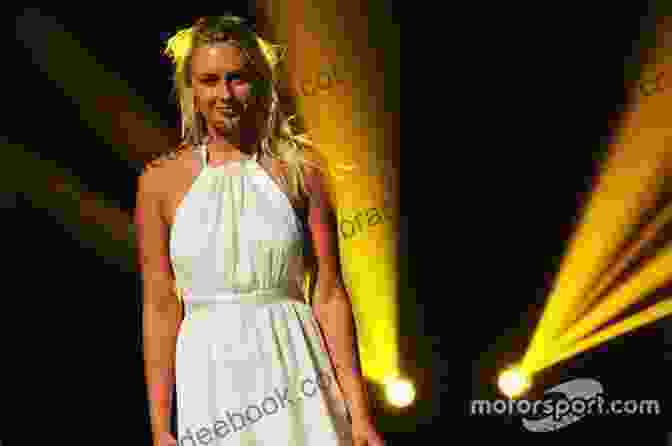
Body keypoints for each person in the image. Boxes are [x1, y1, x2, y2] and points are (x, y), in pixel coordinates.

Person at [136, 15, 386, 446]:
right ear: (191, 90)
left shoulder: (301, 170)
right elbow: (160, 306)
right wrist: (160, 428)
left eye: (238, 78)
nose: (225, 94)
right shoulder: (160, 181)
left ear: (261, 83)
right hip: (210, 373)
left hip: (296, 363)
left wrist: (360, 415)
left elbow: (328, 292)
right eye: (210, 80)